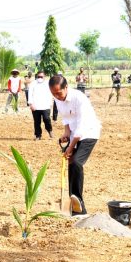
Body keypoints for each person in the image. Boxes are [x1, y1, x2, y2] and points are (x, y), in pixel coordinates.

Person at [49, 75, 101, 216]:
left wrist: (70, 148)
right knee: (71, 163)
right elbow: (66, 118)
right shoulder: (57, 98)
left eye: (59, 93)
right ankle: (75, 207)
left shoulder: (80, 99)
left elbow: (81, 128)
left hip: (89, 132)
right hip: (74, 135)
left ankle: (78, 200)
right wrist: (66, 133)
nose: (57, 96)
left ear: (66, 87)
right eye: (53, 94)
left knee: (77, 162)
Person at [28, 71, 53, 140]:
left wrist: (50, 103)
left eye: (41, 77)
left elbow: (50, 94)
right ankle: (38, 135)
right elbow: (29, 94)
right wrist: (31, 104)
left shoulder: (48, 83)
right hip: (35, 106)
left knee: (46, 119)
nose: (40, 78)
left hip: (46, 105)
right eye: (38, 77)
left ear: (44, 77)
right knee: (37, 121)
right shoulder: (33, 83)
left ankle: (49, 130)